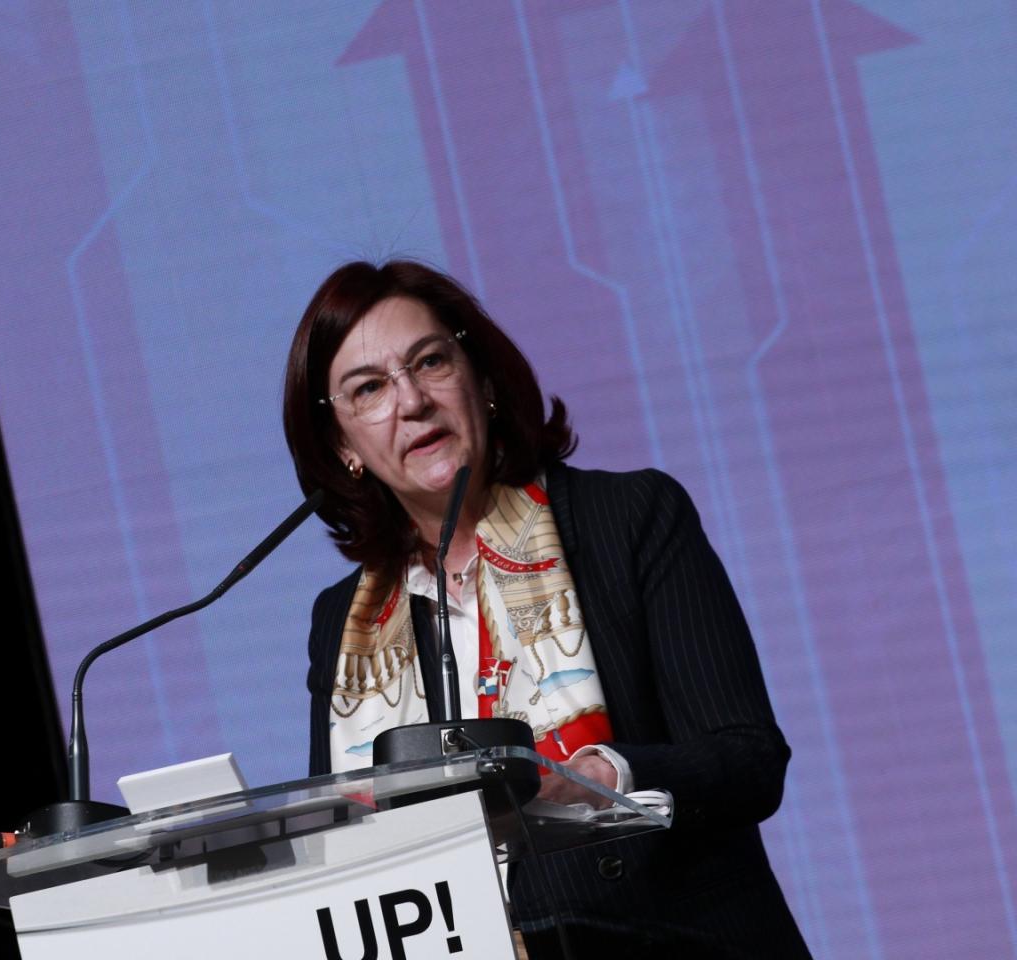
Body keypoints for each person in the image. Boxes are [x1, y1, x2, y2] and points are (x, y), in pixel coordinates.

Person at [282, 260, 810, 957]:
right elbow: (346, 847)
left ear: (482, 381)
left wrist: (599, 783)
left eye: (431, 361)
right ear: (343, 446)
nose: (411, 401)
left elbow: (748, 758)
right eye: (369, 388)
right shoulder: (342, 623)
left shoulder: (627, 519)